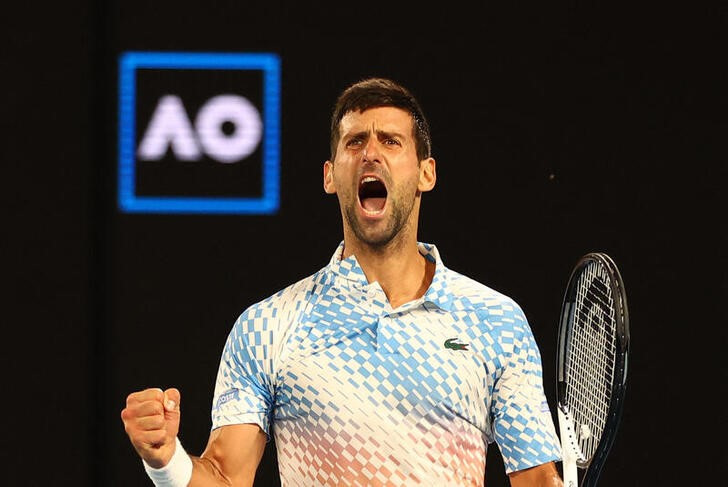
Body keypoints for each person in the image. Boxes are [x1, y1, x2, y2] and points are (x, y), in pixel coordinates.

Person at [121, 77, 564, 486]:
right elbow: (225, 477)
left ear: (426, 173)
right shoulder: (268, 326)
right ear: (331, 176)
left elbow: (537, 481)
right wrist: (166, 460)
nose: (371, 152)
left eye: (391, 141)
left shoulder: (495, 320)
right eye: (355, 142)